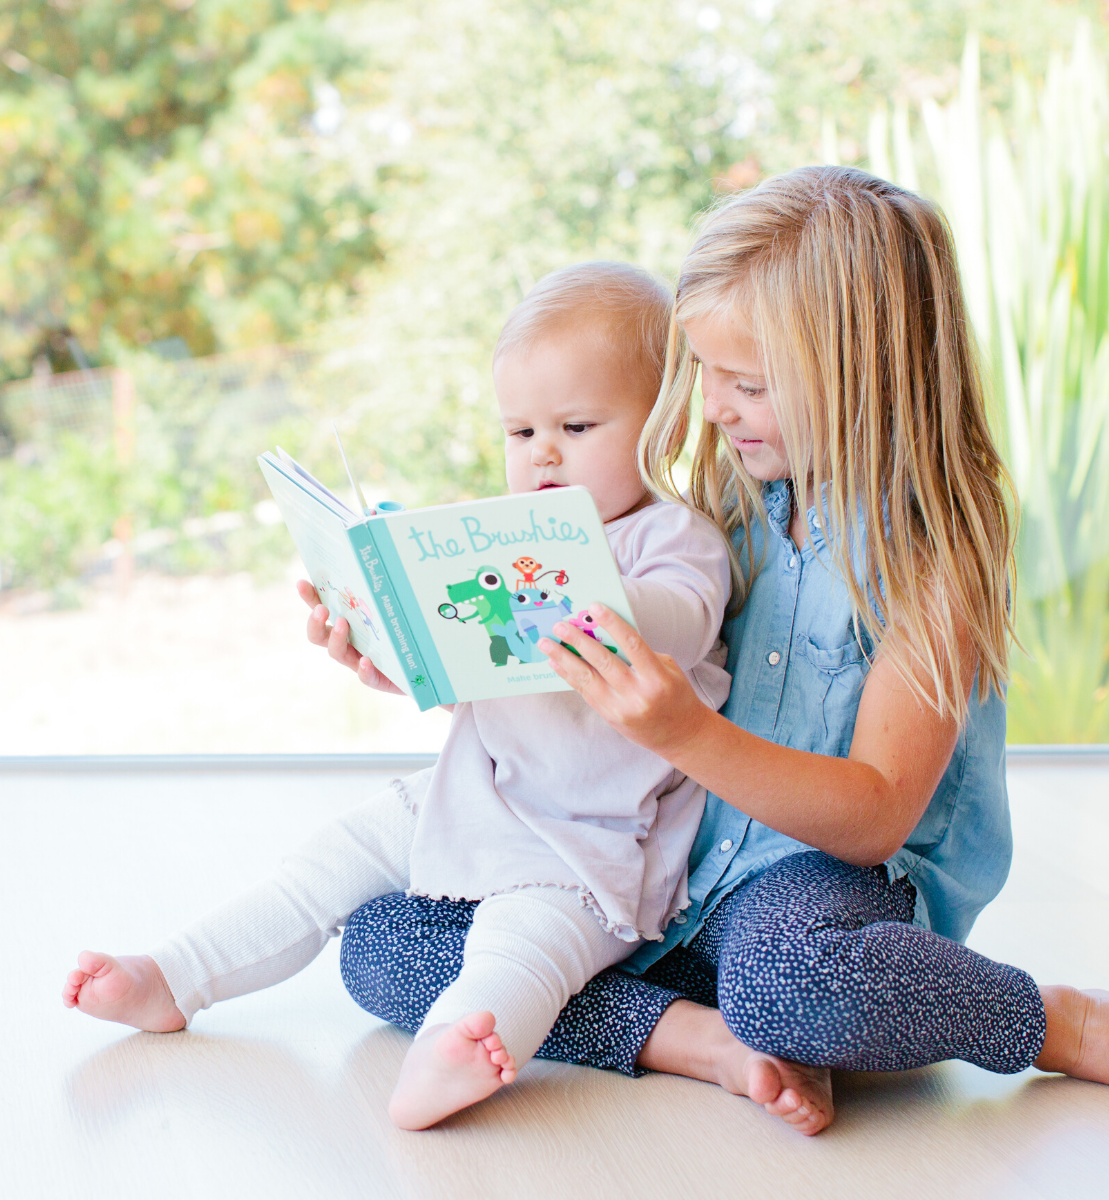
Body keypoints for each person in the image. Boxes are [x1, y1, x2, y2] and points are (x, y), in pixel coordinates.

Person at [335, 166, 1109, 1137]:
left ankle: (1046, 1019)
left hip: (827, 888)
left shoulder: (930, 559)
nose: (710, 410)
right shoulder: (728, 509)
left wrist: (684, 732)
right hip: (671, 868)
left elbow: (871, 819)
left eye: (746, 385)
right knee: (381, 941)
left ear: (865, 375)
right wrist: (423, 656)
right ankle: (695, 1039)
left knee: (795, 984)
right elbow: (584, 674)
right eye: (704, 374)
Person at [61, 261, 737, 1131]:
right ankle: (175, 974)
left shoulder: (671, 537)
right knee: (325, 863)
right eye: (520, 430)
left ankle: (458, 1046)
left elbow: (678, 623)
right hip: (474, 788)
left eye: (576, 425)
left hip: (590, 842)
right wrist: (395, 643)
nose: (543, 453)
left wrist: (576, 586)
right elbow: (490, 676)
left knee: (521, 942)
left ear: (664, 422)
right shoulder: (510, 535)